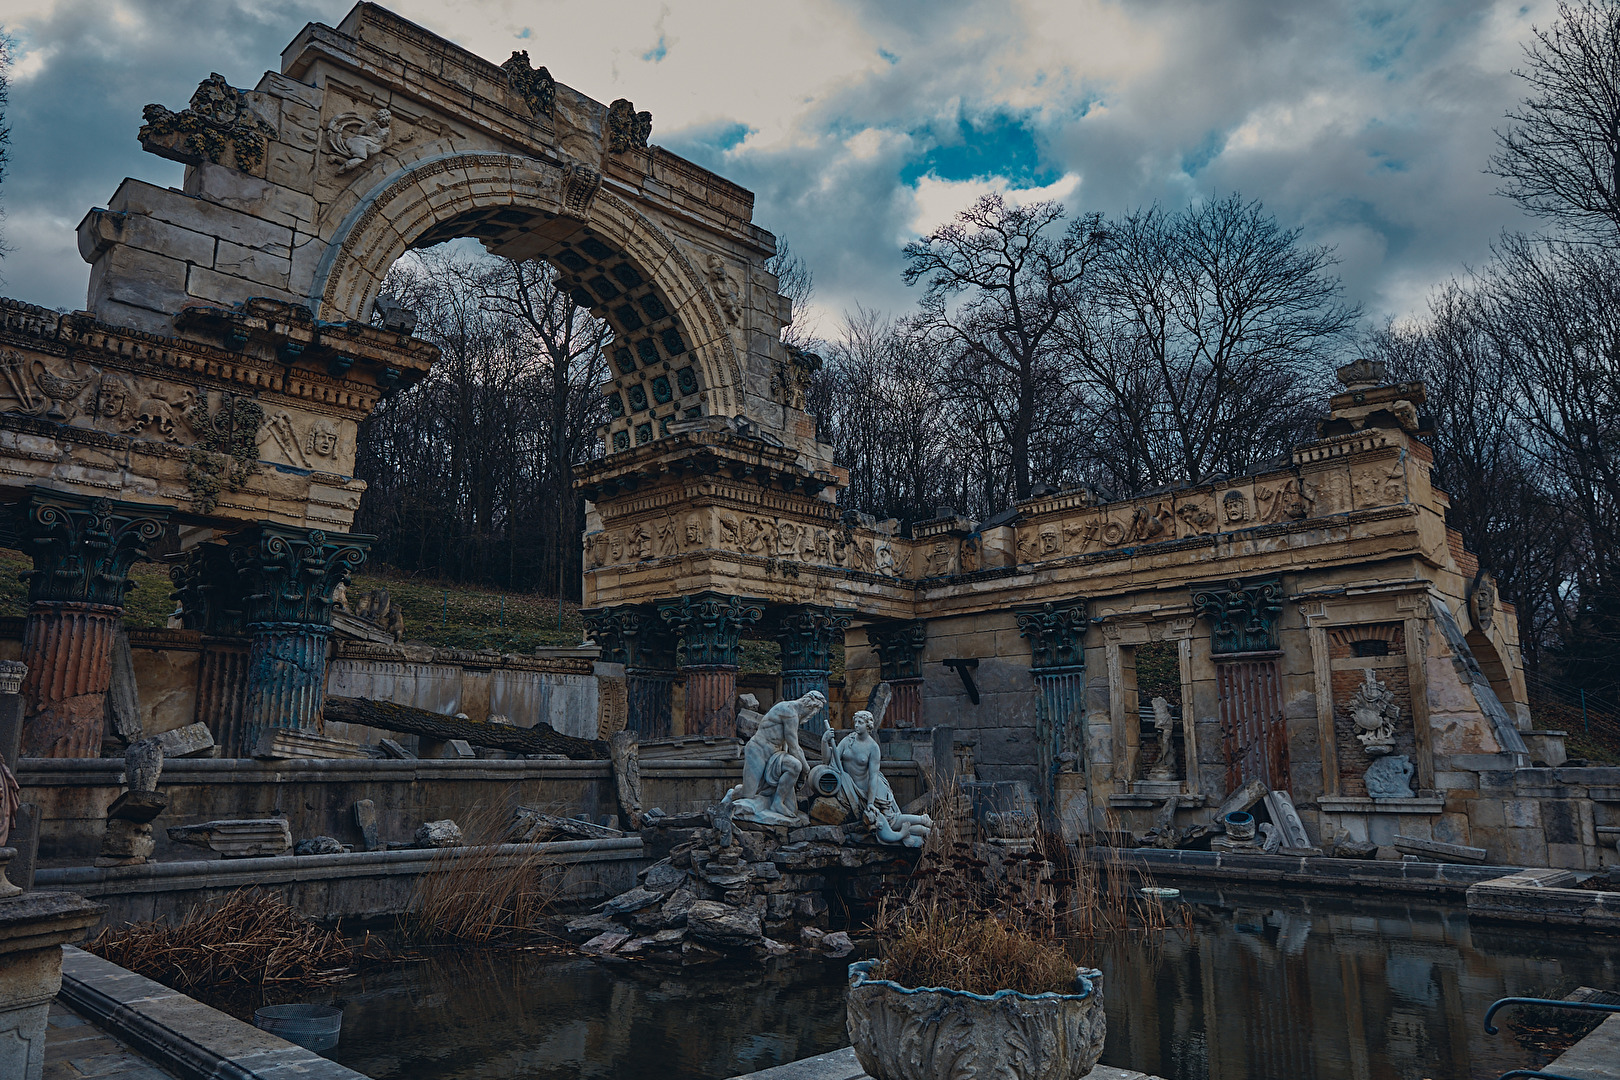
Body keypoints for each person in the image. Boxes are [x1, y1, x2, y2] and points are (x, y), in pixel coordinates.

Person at [822, 711, 931, 846]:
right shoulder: (847, 740)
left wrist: (870, 803)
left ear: (868, 725)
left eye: (860, 723)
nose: (856, 725)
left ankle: (923, 820)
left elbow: (873, 777)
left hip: (873, 788)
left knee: (889, 821)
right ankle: (924, 831)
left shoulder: (873, 747)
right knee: (886, 827)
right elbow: (829, 761)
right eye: (855, 722)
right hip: (852, 787)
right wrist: (824, 741)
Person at [719, 690, 823, 826]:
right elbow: (794, 747)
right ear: (810, 707)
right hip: (758, 751)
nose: (812, 716)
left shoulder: (794, 714)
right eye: (814, 712)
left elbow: (790, 744)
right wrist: (806, 769)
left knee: (795, 766)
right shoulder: (789, 711)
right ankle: (732, 794)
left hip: (775, 754)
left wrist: (801, 768)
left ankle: (777, 803)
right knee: (748, 794)